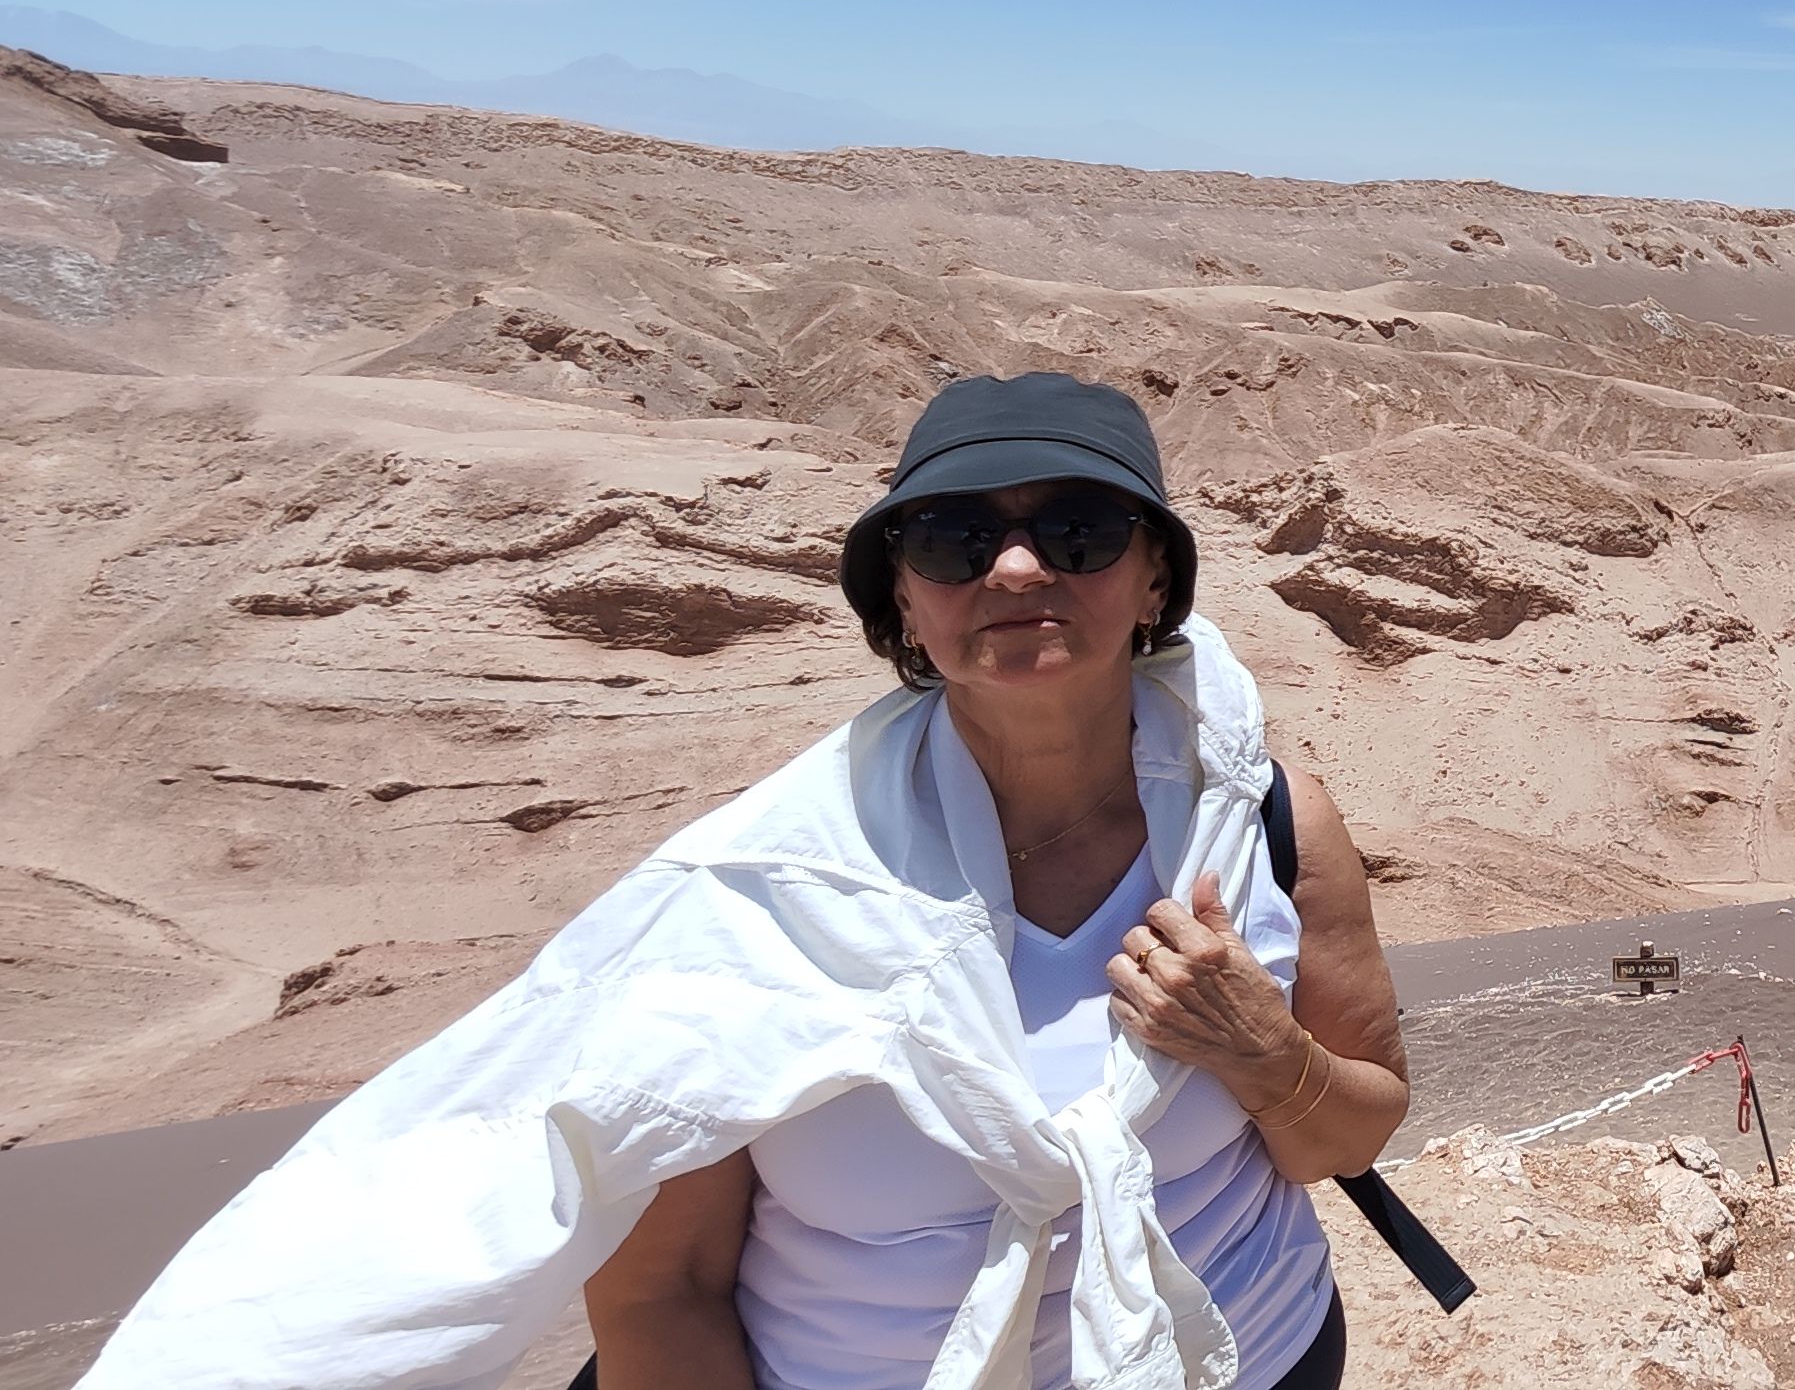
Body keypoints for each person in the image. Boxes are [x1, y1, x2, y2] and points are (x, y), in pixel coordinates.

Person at [90, 374, 1409, 1390]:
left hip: (1250, 1353)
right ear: (903, 604)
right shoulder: (764, 900)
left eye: (1078, 528)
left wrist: (1263, 1053)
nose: (1017, 570)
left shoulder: (1262, 824)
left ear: (1155, 575)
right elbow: (660, 1290)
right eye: (953, 540)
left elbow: (1347, 1137)